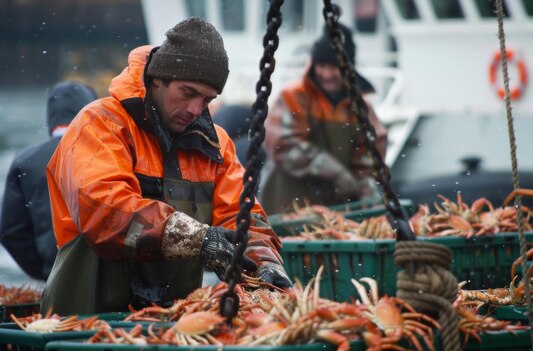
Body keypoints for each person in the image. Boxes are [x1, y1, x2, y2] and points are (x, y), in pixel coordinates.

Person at [41, 17, 291, 315]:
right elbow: (104, 212)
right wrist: (199, 239)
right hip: (80, 322)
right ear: (157, 78)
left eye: (207, 99)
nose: (196, 110)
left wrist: (263, 262)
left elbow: (241, 217)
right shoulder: (99, 124)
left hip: (171, 323)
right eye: (188, 93)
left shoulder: (216, 145)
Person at [261, 23, 388, 214]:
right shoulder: (293, 96)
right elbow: (283, 145)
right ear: (313, 64)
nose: (326, 74)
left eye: (334, 66)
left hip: (339, 211)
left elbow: (369, 160)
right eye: (321, 65)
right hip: (287, 207)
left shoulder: (361, 108)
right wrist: (335, 172)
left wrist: (365, 192)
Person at [0, 81, 97, 281]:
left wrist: (46, 269)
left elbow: (11, 231)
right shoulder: (108, 152)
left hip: (56, 274)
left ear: (51, 115)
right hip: (106, 272)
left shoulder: (25, 160)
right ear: (91, 109)